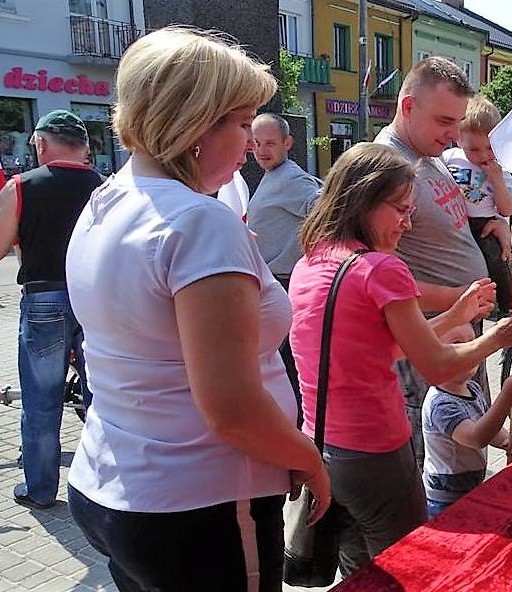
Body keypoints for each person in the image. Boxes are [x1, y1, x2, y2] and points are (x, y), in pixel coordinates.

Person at [64, 28, 331, 590]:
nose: (248, 142)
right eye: (240, 123)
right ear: (194, 126)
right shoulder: (198, 221)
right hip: (200, 503)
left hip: (115, 484)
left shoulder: (109, 197)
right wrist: (307, 458)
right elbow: (231, 407)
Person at [289, 142, 512, 574]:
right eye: (400, 209)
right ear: (363, 201)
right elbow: (436, 365)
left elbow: (384, 347)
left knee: (360, 570)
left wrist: (455, 315)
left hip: (323, 447)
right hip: (375, 450)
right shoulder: (380, 269)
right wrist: (496, 338)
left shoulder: (313, 261)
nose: (407, 222)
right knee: (407, 566)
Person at [375, 56, 505, 468]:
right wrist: (458, 299)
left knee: (468, 436)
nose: (454, 135)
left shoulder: (427, 156)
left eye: (458, 121)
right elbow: (376, 274)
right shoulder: (387, 167)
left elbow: (449, 217)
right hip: (429, 332)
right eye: (445, 121)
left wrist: (493, 221)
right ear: (409, 107)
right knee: (431, 448)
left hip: (460, 321)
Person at [0, 110, 101, 510]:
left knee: (41, 401)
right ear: (85, 147)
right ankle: (99, 487)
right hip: (95, 299)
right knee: (102, 397)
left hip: (43, 300)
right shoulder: (105, 187)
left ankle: (41, 490)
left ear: (41, 143)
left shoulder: (22, 185)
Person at [248, 113, 321, 424]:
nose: (263, 151)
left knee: (288, 369)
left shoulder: (290, 179)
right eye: (257, 144)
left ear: (288, 143)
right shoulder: (274, 176)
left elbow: (323, 207)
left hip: (286, 283)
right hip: (278, 282)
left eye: (271, 144)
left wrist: (309, 252)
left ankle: (295, 434)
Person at [421, 324, 512, 519]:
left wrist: (505, 441)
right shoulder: (441, 405)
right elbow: (476, 437)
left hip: (470, 487)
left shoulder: (472, 388)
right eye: (458, 345)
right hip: (444, 500)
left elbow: (486, 424)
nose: (471, 351)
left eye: (474, 342)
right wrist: (507, 396)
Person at [442, 95, 512, 317]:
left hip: (484, 224)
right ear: (458, 140)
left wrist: (497, 181)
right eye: (474, 150)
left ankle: (506, 303)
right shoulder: (448, 158)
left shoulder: (502, 169)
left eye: (490, 148)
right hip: (455, 221)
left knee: (495, 259)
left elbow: (507, 209)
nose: (483, 155)